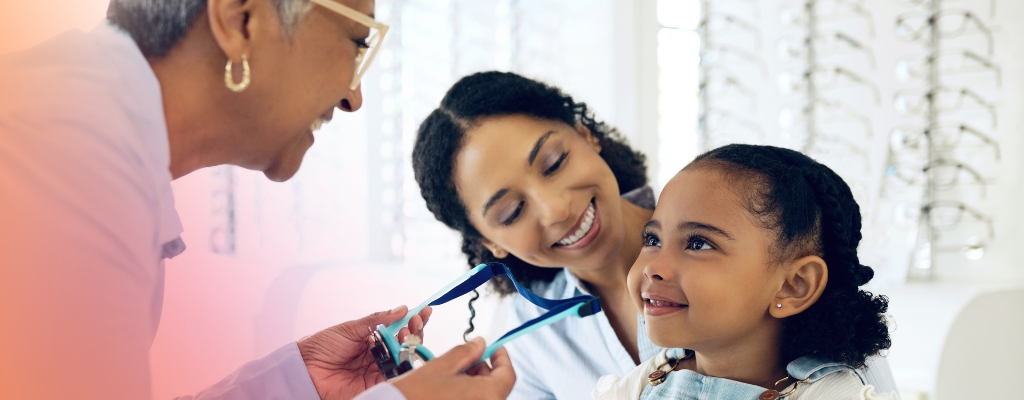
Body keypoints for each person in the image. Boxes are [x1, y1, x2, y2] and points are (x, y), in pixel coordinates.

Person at [0, 1, 514, 399]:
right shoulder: (66, 171)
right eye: (357, 41)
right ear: (241, 19)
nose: (353, 98)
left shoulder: (77, 136)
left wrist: (297, 384)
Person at [411, 71, 897, 399]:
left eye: (554, 162)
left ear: (586, 136)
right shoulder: (523, 342)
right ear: (488, 243)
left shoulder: (758, 227)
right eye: (513, 210)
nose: (556, 207)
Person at [593, 144, 896, 399]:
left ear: (794, 286)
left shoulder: (835, 394)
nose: (653, 267)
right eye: (653, 240)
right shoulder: (647, 381)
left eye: (699, 244)